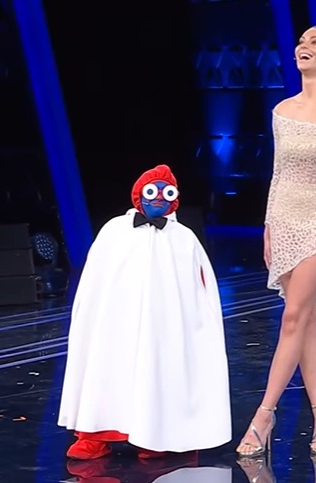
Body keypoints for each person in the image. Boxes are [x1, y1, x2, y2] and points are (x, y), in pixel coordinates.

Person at [235, 25, 316, 459]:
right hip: (285, 221)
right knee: (303, 320)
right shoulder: (282, 110)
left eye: (315, 42)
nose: (304, 47)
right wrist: (269, 226)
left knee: (292, 317)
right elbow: (277, 175)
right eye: (302, 42)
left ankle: (264, 415)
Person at [58, 164, 231, 460]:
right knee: (108, 368)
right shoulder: (114, 231)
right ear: (139, 194)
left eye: (166, 193)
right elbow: (95, 281)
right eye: (153, 191)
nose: (159, 199)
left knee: (161, 371)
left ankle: (157, 435)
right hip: (116, 322)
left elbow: (201, 288)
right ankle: (96, 432)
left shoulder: (184, 238)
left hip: (164, 325)